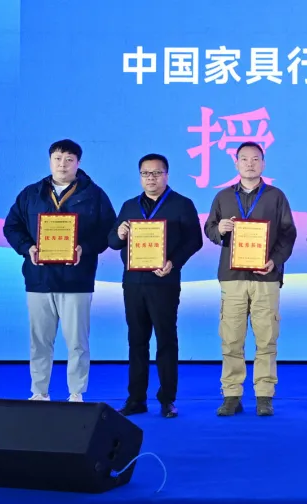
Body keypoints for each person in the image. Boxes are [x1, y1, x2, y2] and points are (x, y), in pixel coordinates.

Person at [2, 139, 116, 402]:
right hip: (39, 279)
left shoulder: (94, 194)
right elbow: (11, 227)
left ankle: (76, 393)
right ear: (50, 160)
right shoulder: (31, 194)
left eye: (69, 159)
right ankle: (39, 392)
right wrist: (28, 247)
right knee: (39, 342)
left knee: (77, 342)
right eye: (57, 158)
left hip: (76, 279)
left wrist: (85, 248)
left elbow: (109, 232)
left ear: (78, 163)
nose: (62, 164)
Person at [204, 141, 297, 417]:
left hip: (265, 277)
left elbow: (288, 234)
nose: (250, 164)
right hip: (232, 277)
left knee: (266, 339)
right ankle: (231, 394)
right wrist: (219, 229)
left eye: (255, 159)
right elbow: (209, 228)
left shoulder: (276, 196)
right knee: (231, 338)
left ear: (263, 164)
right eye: (244, 159)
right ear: (236, 163)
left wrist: (275, 261)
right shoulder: (223, 197)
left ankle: (264, 395)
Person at [108, 154, 203, 418]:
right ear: (140, 176)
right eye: (145, 173)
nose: (151, 178)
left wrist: (174, 262)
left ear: (166, 175)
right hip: (133, 283)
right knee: (136, 341)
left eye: (157, 173)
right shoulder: (129, 206)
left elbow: (194, 241)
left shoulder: (182, 204)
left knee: (165, 340)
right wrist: (120, 234)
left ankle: (167, 399)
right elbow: (112, 242)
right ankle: (136, 399)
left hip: (164, 282)